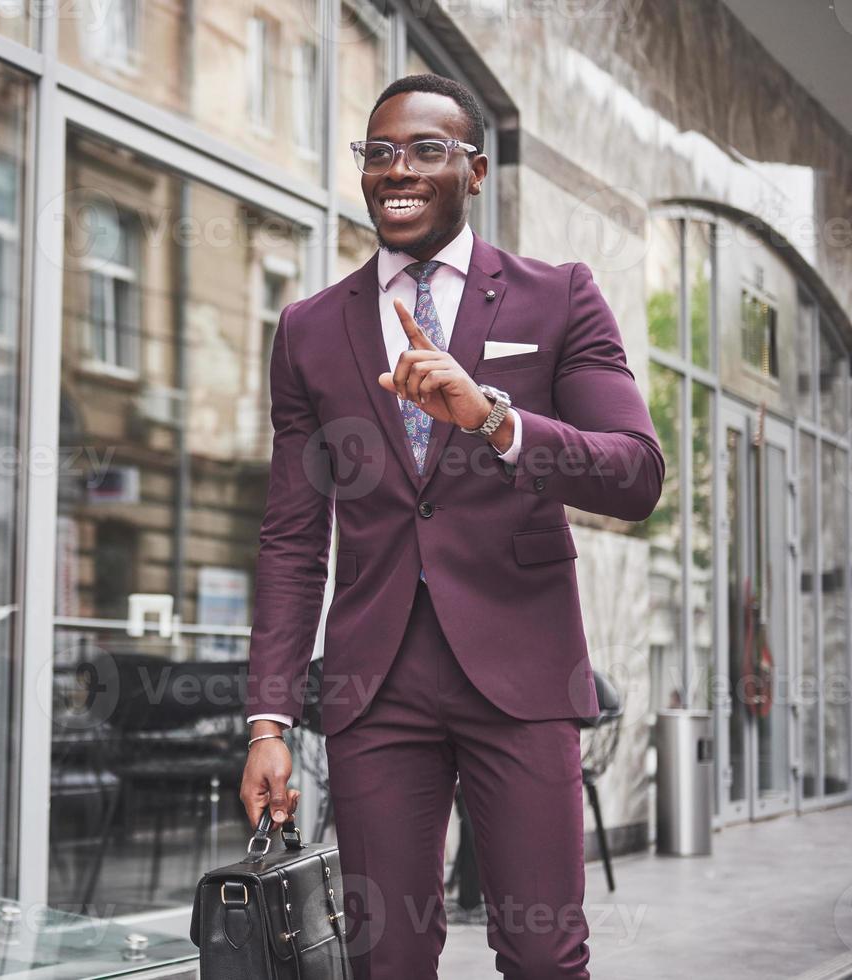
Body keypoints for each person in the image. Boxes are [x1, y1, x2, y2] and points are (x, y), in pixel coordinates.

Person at [238, 73, 664, 980]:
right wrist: (267, 719)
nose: (398, 169)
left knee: (544, 955)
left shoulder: (557, 298)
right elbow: (291, 536)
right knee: (385, 958)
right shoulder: (311, 329)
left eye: (425, 150)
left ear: (473, 170)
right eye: (378, 151)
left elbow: (635, 474)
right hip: (374, 685)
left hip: (521, 670)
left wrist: (493, 418)